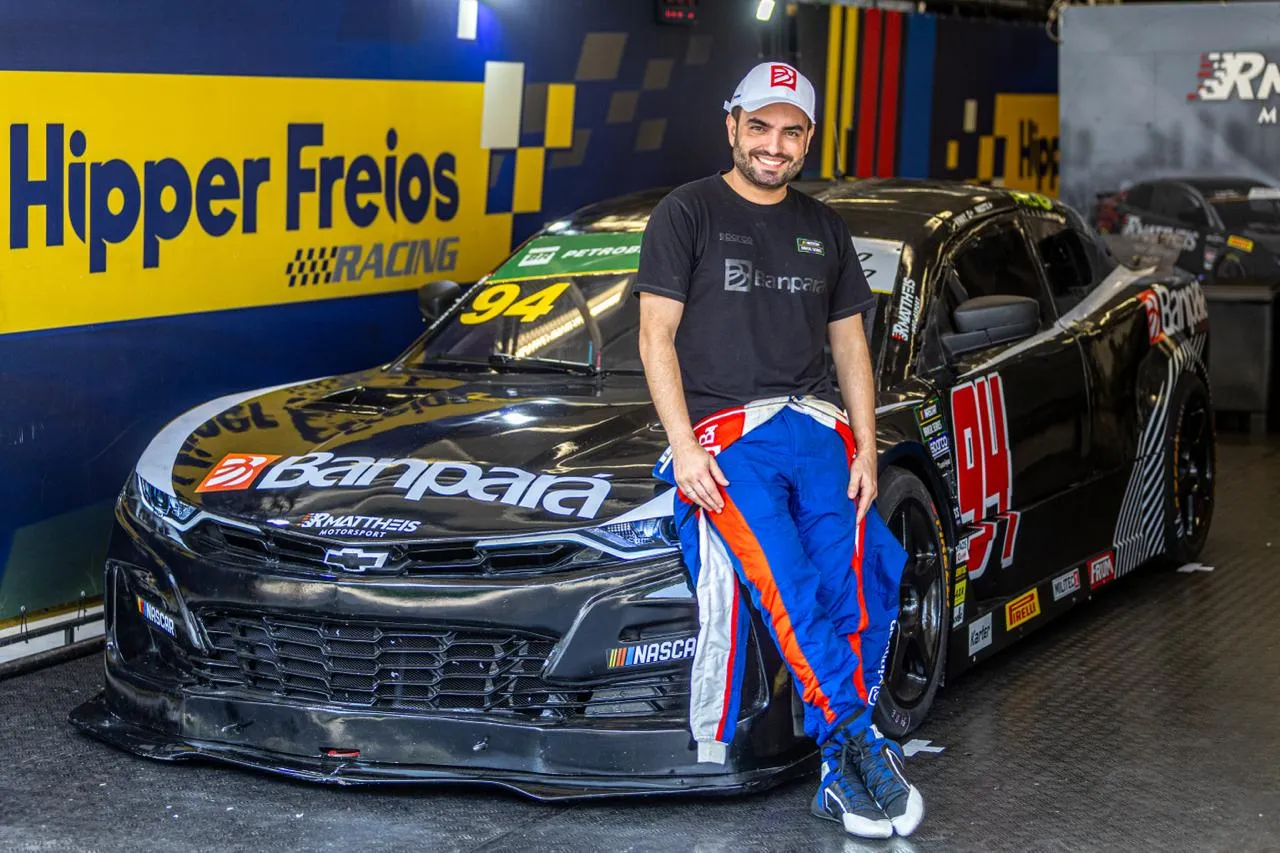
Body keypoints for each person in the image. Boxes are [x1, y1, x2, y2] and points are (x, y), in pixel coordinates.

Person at [633, 61, 923, 839]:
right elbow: (655, 337)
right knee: (788, 585)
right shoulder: (686, 211)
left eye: (791, 131)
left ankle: (836, 774)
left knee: (857, 581)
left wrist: (867, 448)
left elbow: (851, 345)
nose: (773, 143)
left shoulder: (825, 226)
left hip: (818, 430)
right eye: (758, 126)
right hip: (729, 439)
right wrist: (684, 447)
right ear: (731, 125)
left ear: (808, 139)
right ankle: (858, 741)